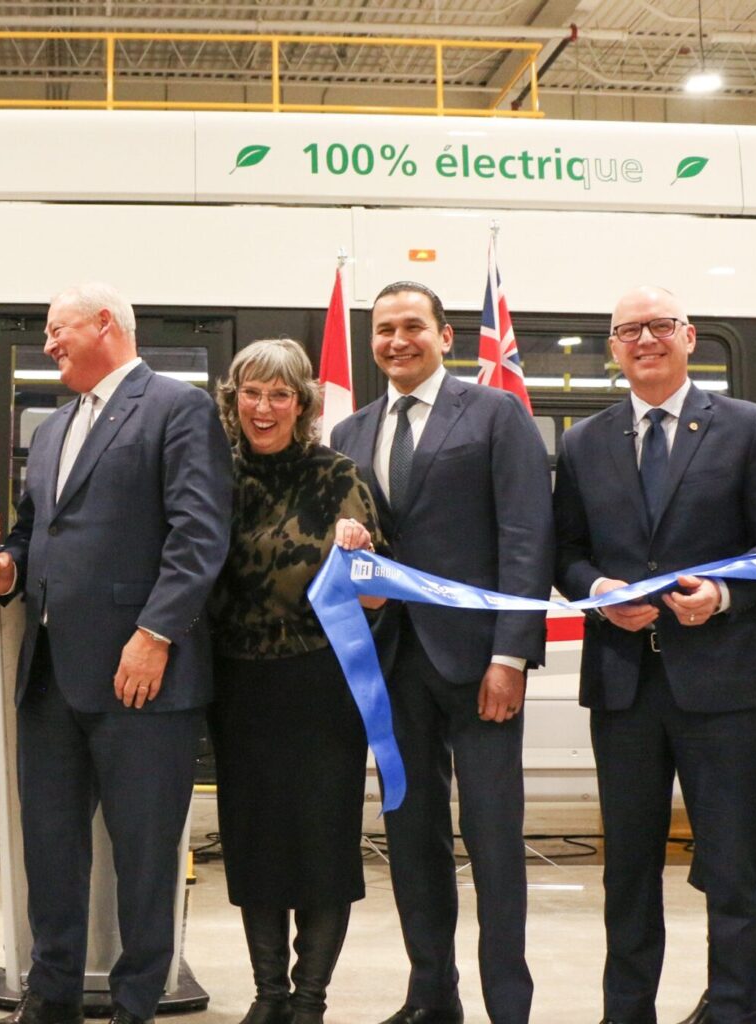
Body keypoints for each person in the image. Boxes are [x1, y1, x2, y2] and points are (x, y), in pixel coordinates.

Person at [552, 286, 756, 1024]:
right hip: (624, 686)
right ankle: (626, 1012)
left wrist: (721, 595)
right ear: (615, 349)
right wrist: (596, 587)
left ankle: (733, 1011)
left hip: (724, 683)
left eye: (659, 326)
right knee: (628, 872)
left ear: (689, 336)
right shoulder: (582, 441)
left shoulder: (749, 428)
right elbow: (564, 551)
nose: (645, 340)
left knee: (731, 871)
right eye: (629, 330)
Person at [0, 282, 232, 1024]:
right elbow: (36, 530)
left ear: (105, 326)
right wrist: (8, 568)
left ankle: (136, 1002)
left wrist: (156, 635)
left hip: (143, 676)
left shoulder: (177, 409)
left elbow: (199, 536)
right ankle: (50, 993)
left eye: (59, 330)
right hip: (51, 675)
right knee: (52, 852)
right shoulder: (56, 426)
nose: (49, 344)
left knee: (146, 855)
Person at [329, 282, 551, 1024]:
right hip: (392, 667)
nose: (398, 340)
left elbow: (526, 536)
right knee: (411, 840)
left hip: (480, 663)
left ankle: (508, 1008)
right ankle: (432, 997)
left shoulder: (496, 415)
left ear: (445, 335)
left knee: (493, 844)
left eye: (412, 327)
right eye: (385, 329)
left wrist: (511, 657)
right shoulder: (350, 434)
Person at [207, 338, 380, 1024]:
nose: (264, 406)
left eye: (280, 394)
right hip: (238, 685)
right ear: (233, 399)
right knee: (253, 842)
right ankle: (268, 994)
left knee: (321, 841)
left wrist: (361, 559)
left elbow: (376, 595)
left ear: (304, 404)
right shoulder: (214, 473)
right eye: (251, 391)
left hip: (321, 684)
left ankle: (309, 1000)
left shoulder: (339, 475)